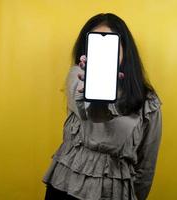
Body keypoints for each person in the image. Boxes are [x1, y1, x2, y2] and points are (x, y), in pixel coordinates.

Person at [42, 13, 163, 200]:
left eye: (110, 47)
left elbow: (146, 166)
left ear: (124, 49)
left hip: (113, 193)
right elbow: (90, 113)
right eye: (94, 47)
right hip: (66, 186)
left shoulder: (148, 102)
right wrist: (96, 92)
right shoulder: (77, 78)